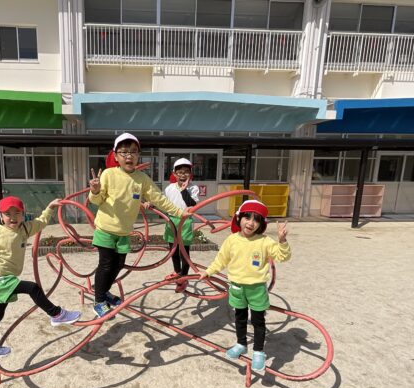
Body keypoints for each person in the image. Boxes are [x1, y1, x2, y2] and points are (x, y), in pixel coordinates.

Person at [88, 132, 192, 318]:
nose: (129, 156)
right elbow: (97, 200)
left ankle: (103, 291)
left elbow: (158, 198)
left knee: (119, 264)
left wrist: (179, 212)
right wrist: (94, 191)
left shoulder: (141, 178)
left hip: (124, 231)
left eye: (133, 152)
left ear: (138, 156)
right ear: (116, 156)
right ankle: (99, 300)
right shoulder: (109, 174)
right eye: (124, 152)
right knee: (106, 264)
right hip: (105, 228)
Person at [0, 196, 81, 359]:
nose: (13, 217)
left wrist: (50, 207)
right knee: (32, 288)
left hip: (5, 278)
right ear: (1, 216)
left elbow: (41, 222)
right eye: (8, 214)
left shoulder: (25, 229)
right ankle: (56, 314)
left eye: (17, 213)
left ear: (23, 215)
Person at [199, 200, 290, 373]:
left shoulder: (264, 241)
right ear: (239, 218)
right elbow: (221, 260)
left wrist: (282, 241)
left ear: (261, 224)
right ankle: (241, 344)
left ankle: (258, 352)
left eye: (256, 220)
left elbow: (282, 256)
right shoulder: (232, 240)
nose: (251, 223)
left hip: (256, 289)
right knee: (239, 318)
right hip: (237, 287)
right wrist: (209, 271)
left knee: (258, 321)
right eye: (247, 217)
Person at [162, 158, 199, 293]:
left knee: (184, 252)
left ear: (190, 173)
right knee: (173, 250)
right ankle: (178, 272)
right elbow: (163, 202)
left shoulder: (193, 188)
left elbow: (192, 205)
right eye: (180, 172)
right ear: (174, 173)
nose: (183, 175)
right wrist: (151, 204)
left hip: (186, 221)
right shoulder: (169, 188)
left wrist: (184, 191)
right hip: (171, 220)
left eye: (186, 172)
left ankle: (184, 278)